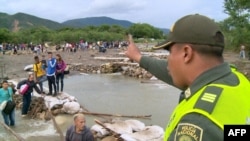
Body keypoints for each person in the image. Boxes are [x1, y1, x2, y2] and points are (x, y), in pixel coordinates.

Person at [125, 14, 250, 141]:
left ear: (186, 53)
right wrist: (138, 57)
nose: (168, 62)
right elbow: (169, 71)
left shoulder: (198, 121)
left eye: (170, 52)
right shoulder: (236, 80)